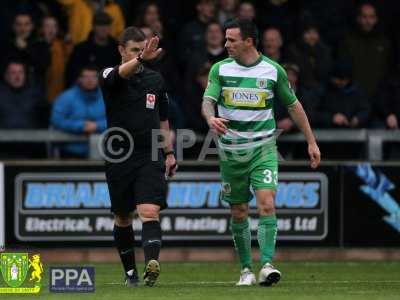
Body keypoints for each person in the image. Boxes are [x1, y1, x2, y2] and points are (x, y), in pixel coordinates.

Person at [201, 19, 320, 286]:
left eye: (231, 40)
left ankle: (266, 264)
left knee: (267, 202)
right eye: (226, 39)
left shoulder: (272, 70)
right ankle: (246, 270)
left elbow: (294, 106)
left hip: (263, 149)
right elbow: (208, 102)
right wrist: (211, 119)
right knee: (239, 211)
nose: (226, 44)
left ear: (249, 41)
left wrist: (311, 141)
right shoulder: (220, 69)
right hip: (232, 153)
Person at [99, 27, 177, 287]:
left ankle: (151, 265)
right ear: (121, 50)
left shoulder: (156, 80)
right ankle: (130, 272)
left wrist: (168, 153)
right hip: (119, 156)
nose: (140, 54)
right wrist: (142, 58)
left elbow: (163, 119)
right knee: (123, 216)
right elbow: (119, 75)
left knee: (149, 211)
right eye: (135, 49)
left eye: (142, 49)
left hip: (149, 154)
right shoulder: (109, 74)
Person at [338, 3, 392, 98]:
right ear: (358, 18)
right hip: (354, 97)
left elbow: (387, 72)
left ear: (376, 19)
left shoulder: (384, 43)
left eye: (371, 17)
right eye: (364, 17)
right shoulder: (348, 41)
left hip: (379, 98)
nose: (368, 21)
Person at [51, 66, 106, 158]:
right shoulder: (66, 97)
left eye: (93, 76)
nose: (90, 80)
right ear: (79, 79)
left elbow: (117, 118)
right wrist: (81, 126)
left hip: (103, 151)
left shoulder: (107, 97)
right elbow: (56, 119)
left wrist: (97, 126)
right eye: (86, 77)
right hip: (70, 152)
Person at [66, 11, 120, 86]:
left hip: (111, 90)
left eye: (106, 25)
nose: (103, 29)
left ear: (110, 27)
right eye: (100, 25)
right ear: (93, 26)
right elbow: (72, 75)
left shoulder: (117, 49)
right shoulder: (81, 49)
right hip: (86, 91)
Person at [318, 60, 369, 129]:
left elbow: (366, 109)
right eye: (339, 79)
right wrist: (332, 118)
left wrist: (358, 118)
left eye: (345, 79)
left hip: (354, 133)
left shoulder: (357, 90)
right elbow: (314, 113)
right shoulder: (324, 90)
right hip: (329, 132)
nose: (343, 82)